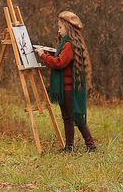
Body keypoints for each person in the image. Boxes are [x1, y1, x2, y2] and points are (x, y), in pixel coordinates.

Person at [35, 11, 97, 153]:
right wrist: (50, 54)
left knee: (76, 117)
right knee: (68, 118)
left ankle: (91, 145)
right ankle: (69, 147)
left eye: (60, 27)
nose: (59, 30)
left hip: (69, 89)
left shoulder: (68, 44)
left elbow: (59, 63)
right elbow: (61, 59)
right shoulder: (67, 43)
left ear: (68, 28)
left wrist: (43, 55)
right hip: (65, 88)